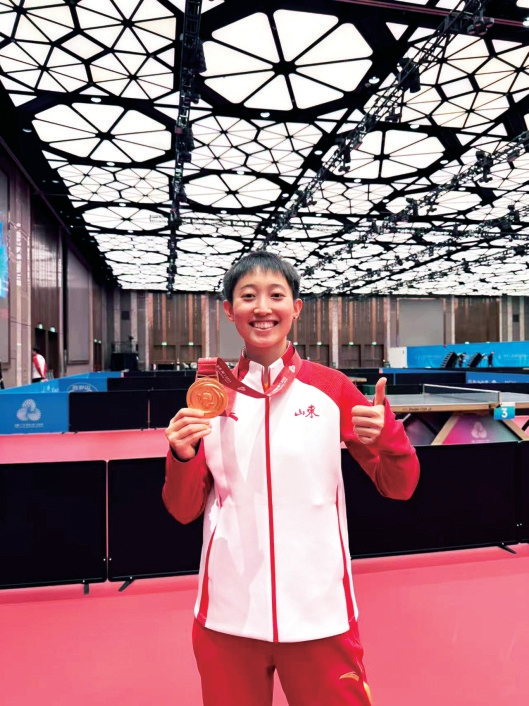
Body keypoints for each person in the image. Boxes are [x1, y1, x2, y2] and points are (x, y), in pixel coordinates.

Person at [163, 251, 420, 706]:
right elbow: (183, 510)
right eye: (248, 296)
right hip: (228, 618)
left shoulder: (332, 389)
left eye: (276, 295)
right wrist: (181, 455)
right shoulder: (210, 396)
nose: (263, 308)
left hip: (320, 613)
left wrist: (389, 437)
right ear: (229, 311)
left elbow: (400, 486)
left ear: (296, 308)